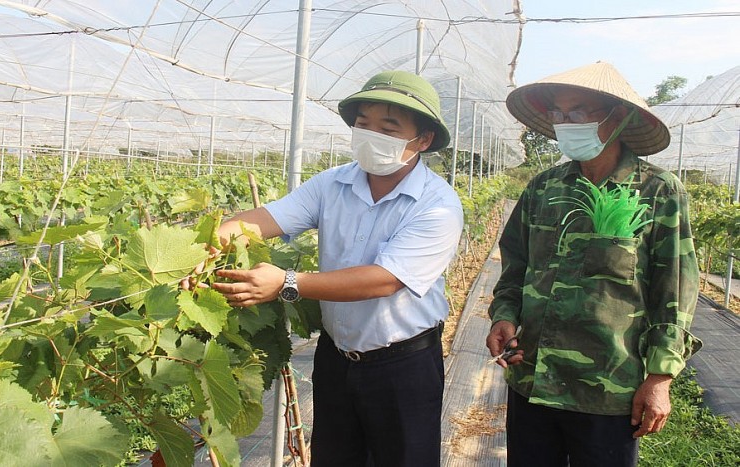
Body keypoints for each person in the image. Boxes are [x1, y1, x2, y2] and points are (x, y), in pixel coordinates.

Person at [205, 70, 463, 466]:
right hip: (337, 358)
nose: (370, 134)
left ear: (422, 140)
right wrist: (212, 240)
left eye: (388, 127)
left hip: (403, 366)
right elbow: (268, 218)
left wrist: (287, 282)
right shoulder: (332, 184)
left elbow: (385, 280)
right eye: (363, 124)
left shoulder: (438, 204)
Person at [485, 61, 702, 467]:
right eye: (558, 114)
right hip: (533, 377)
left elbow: (674, 290)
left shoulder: (657, 192)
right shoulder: (544, 188)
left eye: (578, 113)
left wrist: (659, 378)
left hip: (607, 388)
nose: (566, 123)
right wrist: (504, 315)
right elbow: (515, 264)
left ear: (616, 117)